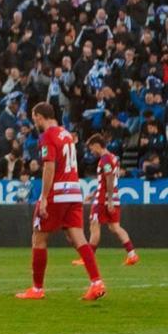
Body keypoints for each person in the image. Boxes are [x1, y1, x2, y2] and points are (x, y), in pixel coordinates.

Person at [16, 102, 105, 301]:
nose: (35, 122)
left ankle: (37, 289)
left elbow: (49, 167)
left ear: (40, 116)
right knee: (78, 238)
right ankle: (96, 282)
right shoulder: (66, 134)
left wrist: (45, 198)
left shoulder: (47, 136)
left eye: (35, 118)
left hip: (58, 192)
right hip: (74, 190)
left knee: (39, 237)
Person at [73, 135, 138, 267]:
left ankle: (88, 258)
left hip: (104, 199)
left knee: (94, 225)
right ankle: (132, 254)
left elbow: (109, 178)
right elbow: (105, 180)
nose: (92, 152)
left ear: (97, 145)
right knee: (115, 227)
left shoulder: (106, 159)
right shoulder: (113, 158)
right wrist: (93, 194)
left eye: (92, 149)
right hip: (112, 196)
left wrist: (107, 200)